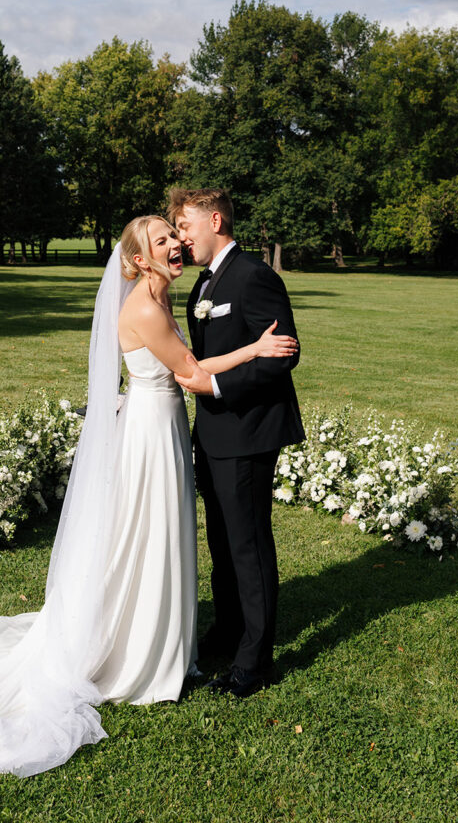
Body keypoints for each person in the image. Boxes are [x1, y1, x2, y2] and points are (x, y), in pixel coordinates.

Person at [0, 215, 297, 790]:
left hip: (160, 425)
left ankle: (169, 634)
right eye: (163, 240)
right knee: (146, 534)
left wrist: (244, 350)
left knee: (157, 534)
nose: (176, 244)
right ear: (138, 260)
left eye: (174, 234)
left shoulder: (165, 298)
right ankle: (136, 649)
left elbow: (183, 367)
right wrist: (254, 350)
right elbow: (189, 373)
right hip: (148, 431)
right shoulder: (143, 306)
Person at [169, 188, 305, 698]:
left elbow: (281, 355)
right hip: (213, 432)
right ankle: (228, 630)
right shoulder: (203, 284)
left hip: (248, 430)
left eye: (185, 226)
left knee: (247, 544)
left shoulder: (255, 276)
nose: (182, 237)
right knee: (222, 541)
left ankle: (254, 660)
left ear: (216, 219)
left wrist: (218, 387)